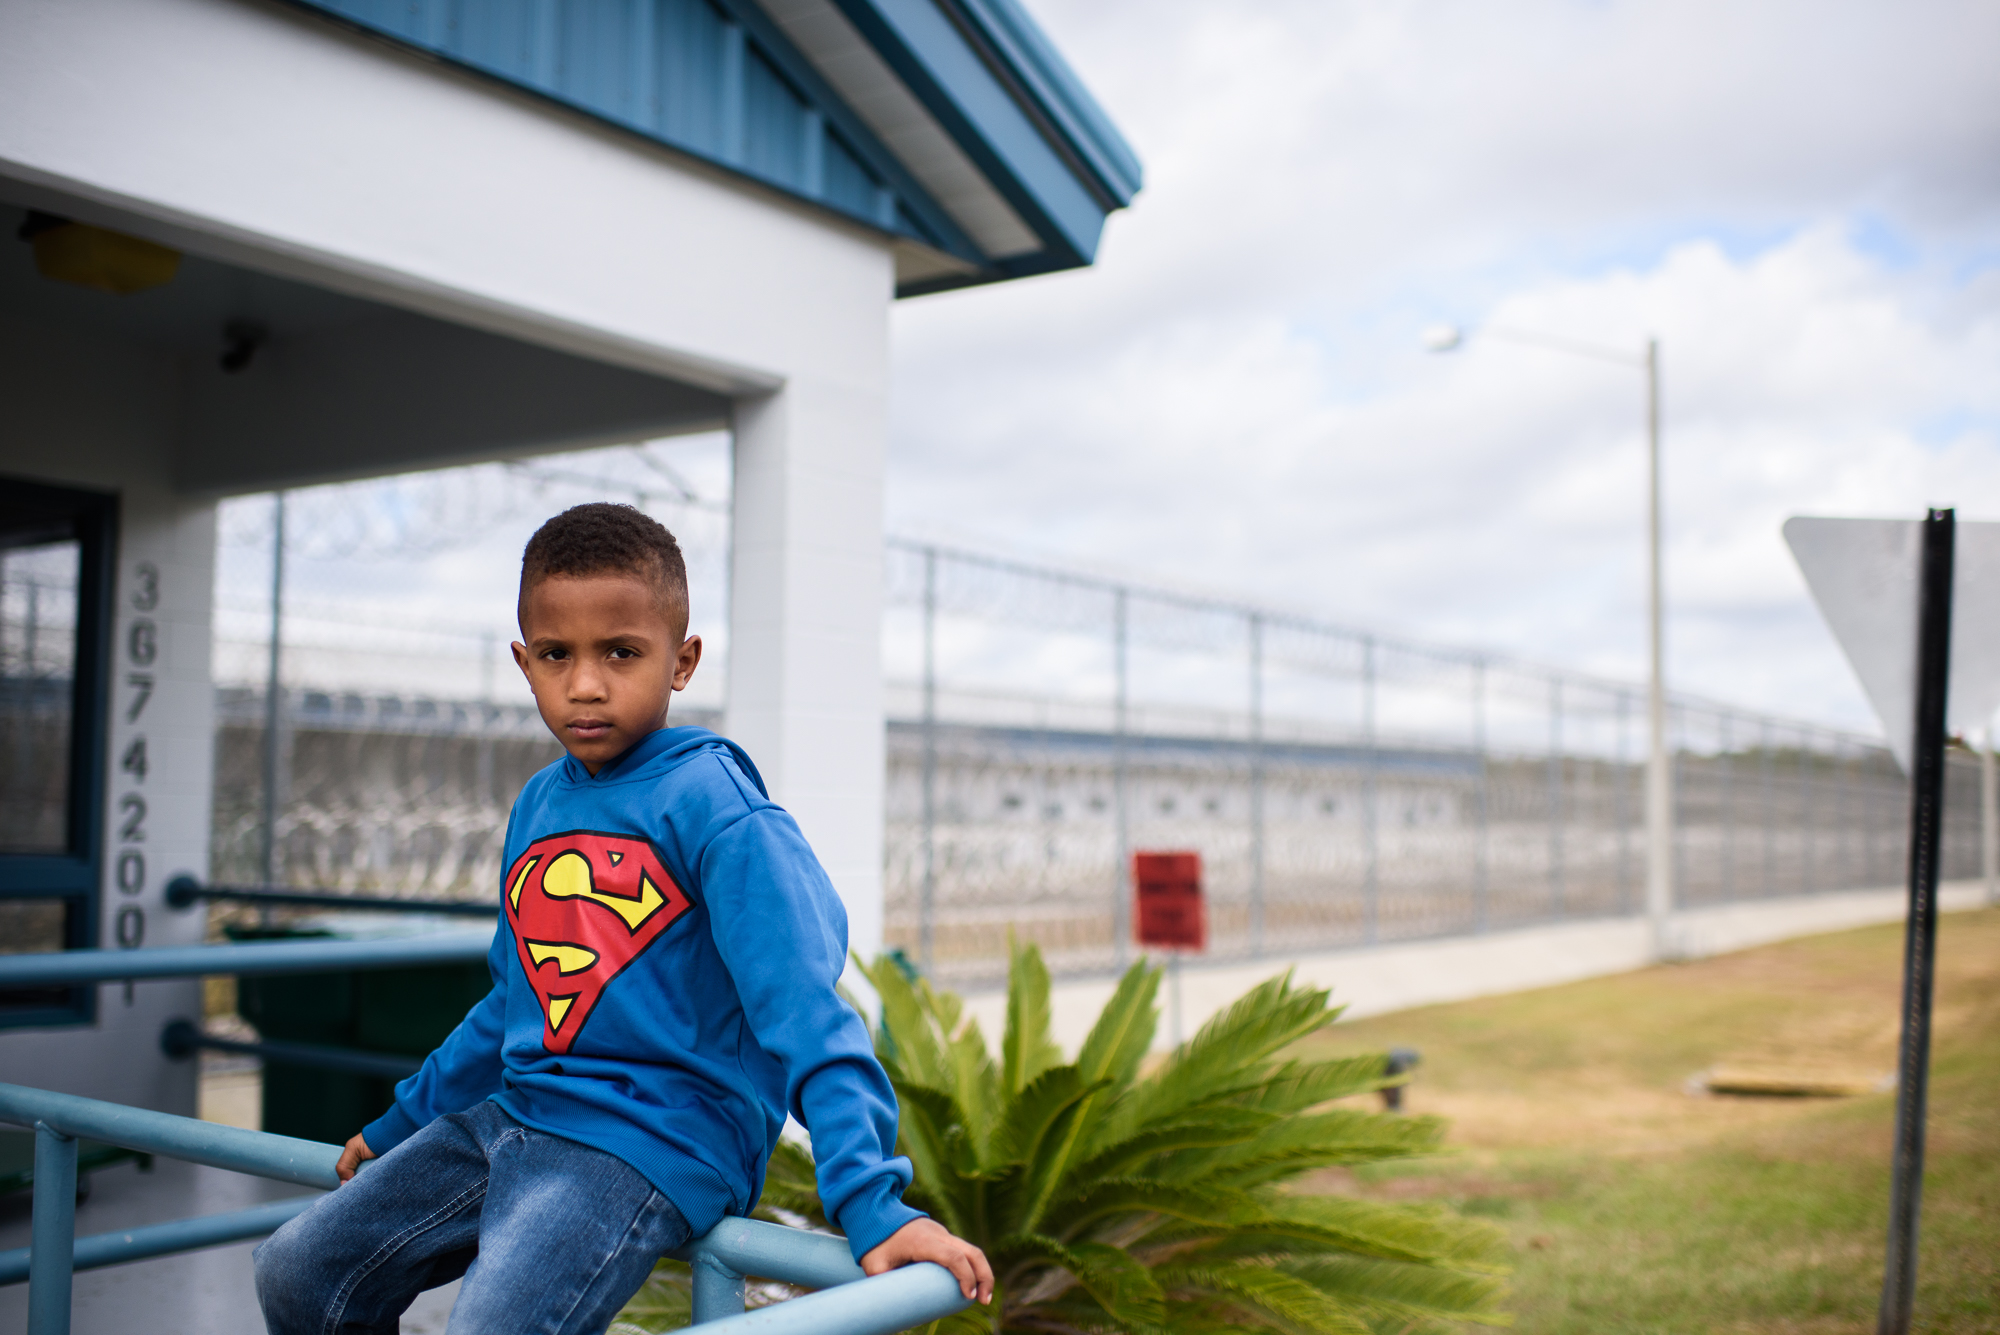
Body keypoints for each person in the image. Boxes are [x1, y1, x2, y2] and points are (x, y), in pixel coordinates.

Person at [254, 502, 991, 1334]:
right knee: (297, 1268)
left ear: (681, 662)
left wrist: (872, 1201)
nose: (586, 683)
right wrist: (404, 1121)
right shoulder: (541, 800)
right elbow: (512, 1000)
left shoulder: (717, 808)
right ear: (523, 660)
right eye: (556, 655)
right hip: (518, 1113)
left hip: (651, 1141)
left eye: (621, 652)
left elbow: (804, 1011)